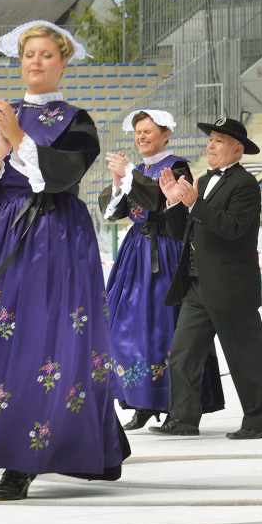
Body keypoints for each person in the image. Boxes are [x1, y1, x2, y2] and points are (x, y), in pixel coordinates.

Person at [0, 21, 127, 501]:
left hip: (53, 235)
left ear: (63, 62)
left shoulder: (75, 119)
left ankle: (21, 460)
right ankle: (88, 443)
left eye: (47, 54)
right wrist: (2, 144)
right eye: (29, 53)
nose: (35, 61)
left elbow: (61, 176)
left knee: (45, 342)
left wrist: (20, 138)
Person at [100, 110, 224, 429]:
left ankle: (173, 404)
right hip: (136, 253)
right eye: (138, 132)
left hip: (166, 251)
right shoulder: (138, 169)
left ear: (166, 133)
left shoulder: (177, 165)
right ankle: (141, 401)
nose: (141, 137)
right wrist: (118, 181)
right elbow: (115, 212)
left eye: (148, 131)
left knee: (164, 328)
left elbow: (160, 202)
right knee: (128, 329)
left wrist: (128, 174)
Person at [153, 117, 262, 439]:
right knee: (182, 354)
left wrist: (195, 203)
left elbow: (233, 228)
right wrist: (174, 203)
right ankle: (183, 419)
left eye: (219, 140)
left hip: (231, 287)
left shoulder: (245, 185)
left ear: (237, 150)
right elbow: (183, 232)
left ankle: (257, 422)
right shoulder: (204, 181)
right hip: (197, 285)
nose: (211, 145)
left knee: (245, 358)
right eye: (210, 139)